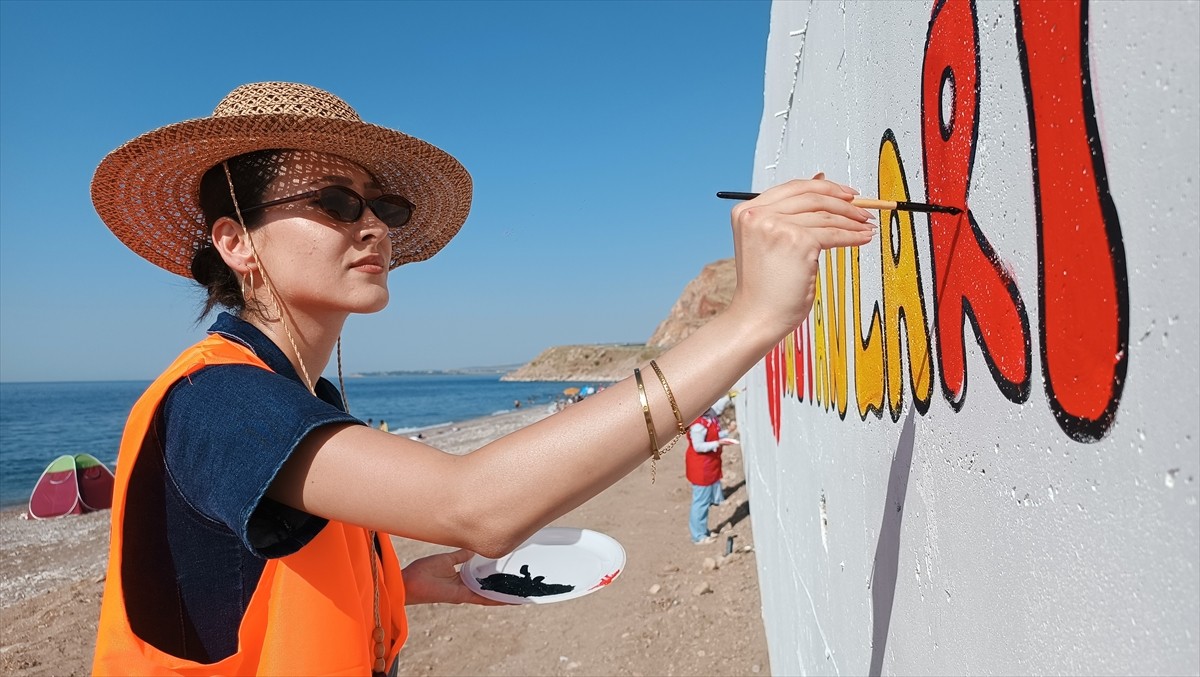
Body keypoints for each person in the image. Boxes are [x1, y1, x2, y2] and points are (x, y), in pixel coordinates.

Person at [88, 81, 875, 675]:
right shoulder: (219, 398)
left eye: (382, 208)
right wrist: (750, 319)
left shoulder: (297, 398)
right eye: (335, 202)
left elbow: (247, 589)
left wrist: (403, 583)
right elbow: (474, 506)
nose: (372, 226)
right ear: (235, 241)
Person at [685, 396, 739, 544]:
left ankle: (702, 532)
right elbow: (698, 446)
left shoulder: (707, 416)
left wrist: (726, 433)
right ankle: (698, 536)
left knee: (703, 500)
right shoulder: (698, 426)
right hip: (701, 468)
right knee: (701, 502)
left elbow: (713, 434)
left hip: (708, 465)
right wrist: (718, 443)